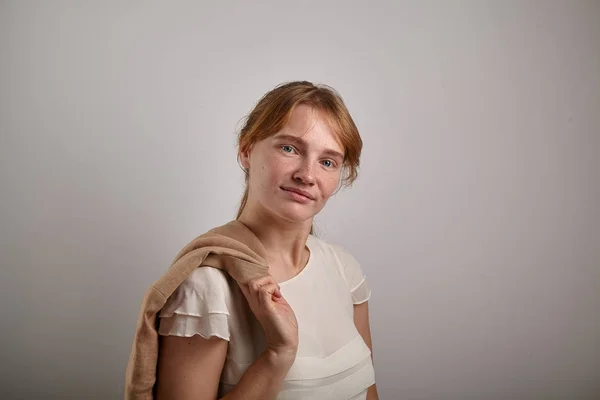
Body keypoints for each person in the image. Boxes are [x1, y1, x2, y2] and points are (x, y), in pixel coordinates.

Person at [154, 81, 378, 399]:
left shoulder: (344, 269)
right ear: (246, 150)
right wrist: (278, 355)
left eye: (327, 162)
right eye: (290, 148)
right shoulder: (207, 287)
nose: (307, 174)